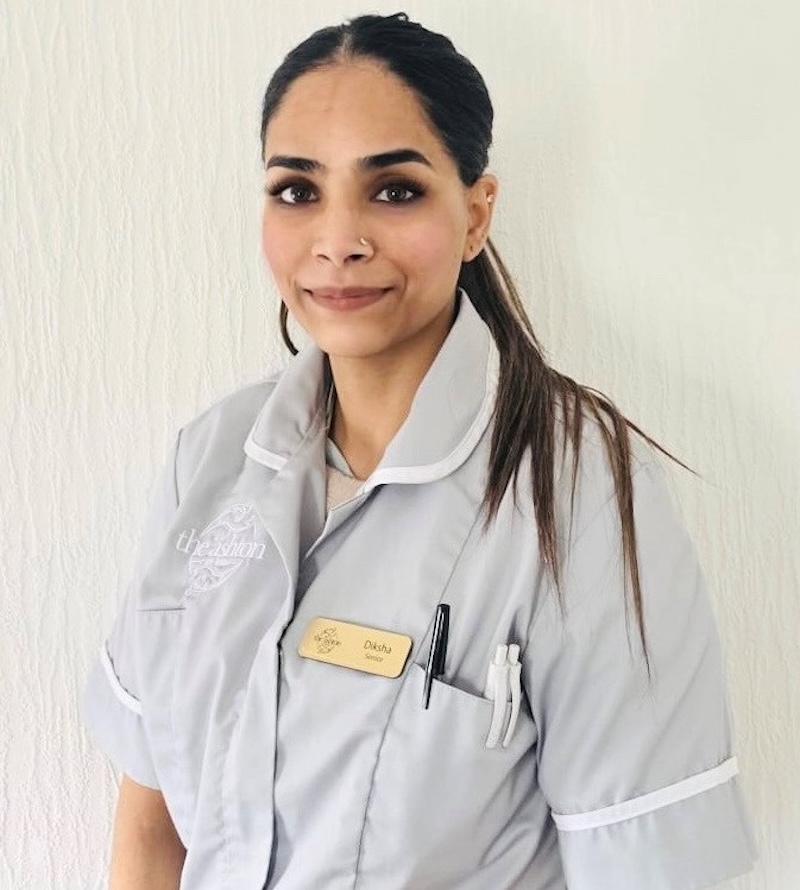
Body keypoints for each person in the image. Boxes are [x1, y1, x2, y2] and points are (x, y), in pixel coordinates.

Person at [83, 12, 756, 890]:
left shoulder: (581, 493)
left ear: (476, 215)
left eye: (393, 190)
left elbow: (652, 868)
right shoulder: (209, 460)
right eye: (297, 190)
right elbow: (150, 821)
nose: (338, 239)